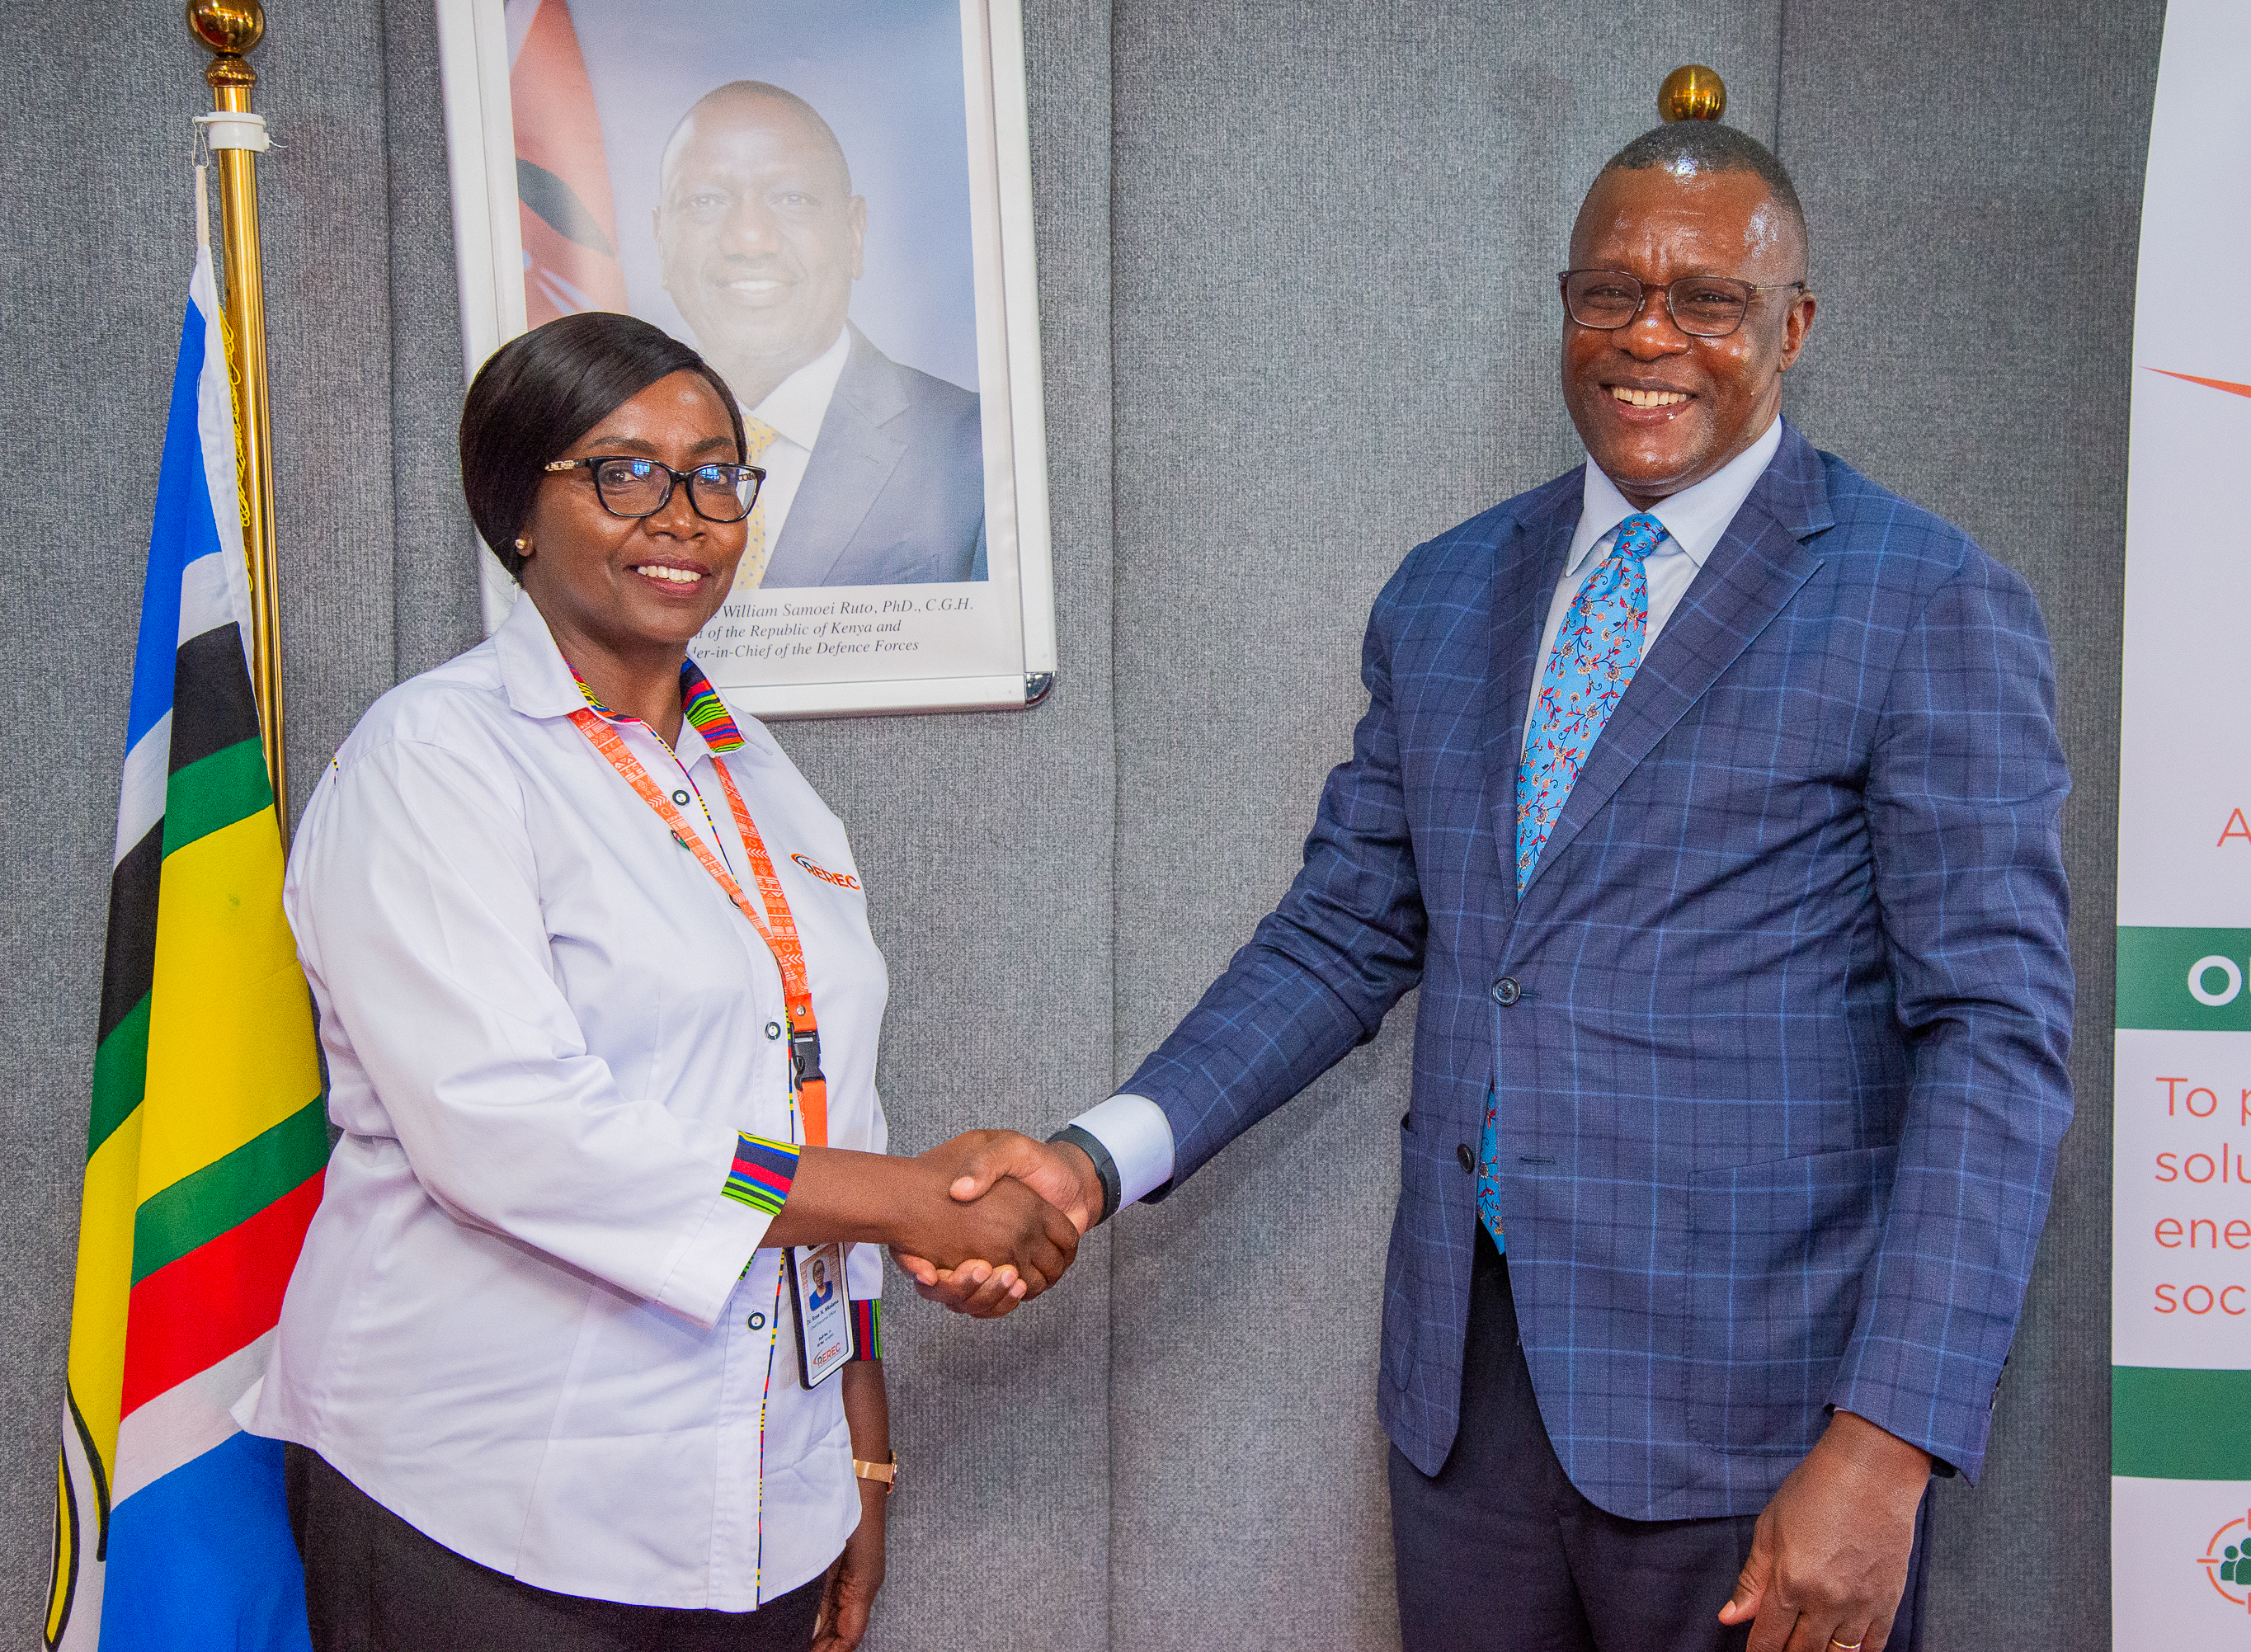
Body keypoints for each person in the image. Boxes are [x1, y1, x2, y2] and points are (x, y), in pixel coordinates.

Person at [913, 121, 2074, 1652]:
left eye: (1708, 298)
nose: (1648, 335)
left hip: (1766, 1423)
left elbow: (1996, 1035)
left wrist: (1889, 1440)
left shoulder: (1923, 600)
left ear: (1793, 327)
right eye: (1608, 293)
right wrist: (1093, 1157)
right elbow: (1340, 934)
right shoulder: (1450, 590)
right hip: (1469, 1409)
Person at [242, 311, 1076, 1650]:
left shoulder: (766, 783)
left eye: (715, 476)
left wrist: (859, 1447)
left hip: (757, 1500)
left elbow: (823, 1103)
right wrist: (913, 1197)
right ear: (518, 509)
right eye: (623, 473)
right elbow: (516, 1127)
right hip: (487, 1499)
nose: (681, 515)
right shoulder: (437, 759)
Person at [653, 80, 987, 590]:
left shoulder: (976, 449)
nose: (750, 238)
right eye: (705, 200)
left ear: (854, 234)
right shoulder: (606, 452)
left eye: (791, 198)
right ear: (660, 238)